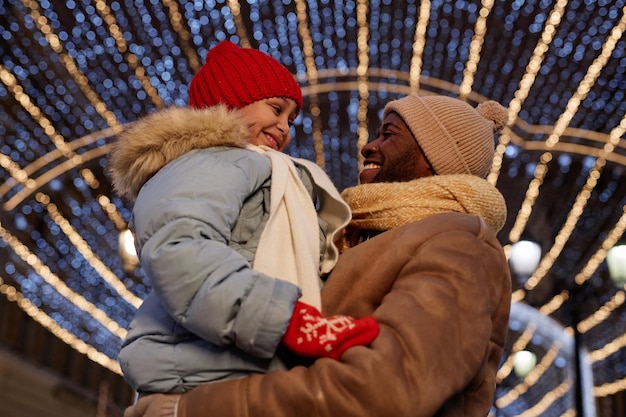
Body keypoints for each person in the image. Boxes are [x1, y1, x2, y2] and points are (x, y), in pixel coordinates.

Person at [123, 93, 513, 417]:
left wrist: (189, 410)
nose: (369, 145)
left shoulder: (460, 244)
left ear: (434, 159)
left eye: (388, 135)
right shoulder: (351, 240)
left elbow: (387, 389)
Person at [107, 41, 379, 395]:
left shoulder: (252, 166)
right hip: (202, 367)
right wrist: (286, 320)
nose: (284, 127)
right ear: (230, 102)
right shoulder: (211, 161)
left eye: (290, 119)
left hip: (234, 366)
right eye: (276, 109)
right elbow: (180, 249)